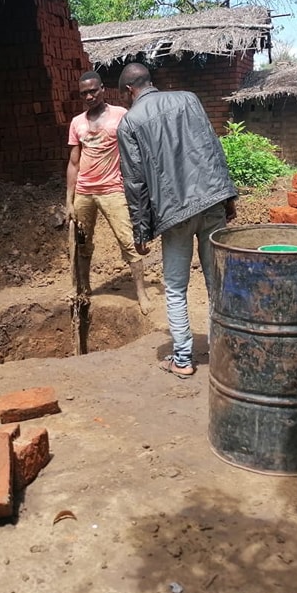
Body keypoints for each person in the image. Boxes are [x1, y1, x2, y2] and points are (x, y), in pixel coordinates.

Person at [115, 62, 237, 378]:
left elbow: (135, 182)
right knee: (217, 284)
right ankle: (222, 354)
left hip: (175, 215)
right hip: (211, 203)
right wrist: (229, 196)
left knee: (175, 288)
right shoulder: (189, 99)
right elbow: (213, 147)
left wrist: (141, 231)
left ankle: (182, 358)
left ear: (129, 91)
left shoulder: (130, 123)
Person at [66, 70, 151, 314]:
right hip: (84, 191)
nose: (90, 96)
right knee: (83, 243)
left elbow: (134, 148)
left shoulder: (120, 115)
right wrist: (68, 201)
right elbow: (73, 163)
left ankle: (142, 294)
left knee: (128, 242)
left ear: (103, 89)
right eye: (84, 93)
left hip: (113, 190)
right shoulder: (77, 123)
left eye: (93, 91)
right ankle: (84, 288)